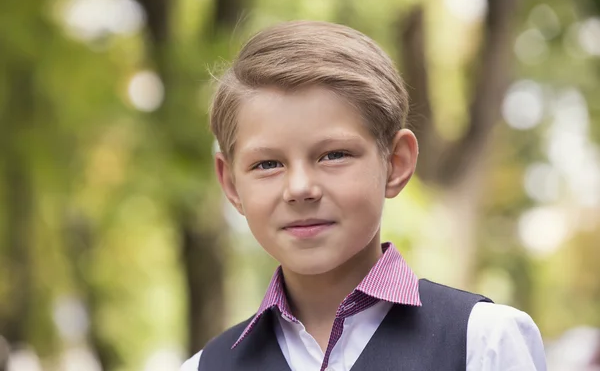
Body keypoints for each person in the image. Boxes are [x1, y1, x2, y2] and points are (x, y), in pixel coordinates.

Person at [180, 20, 546, 371]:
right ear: (230, 184)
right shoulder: (204, 368)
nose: (300, 189)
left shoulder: (483, 342)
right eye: (267, 164)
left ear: (396, 162)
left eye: (334, 155)